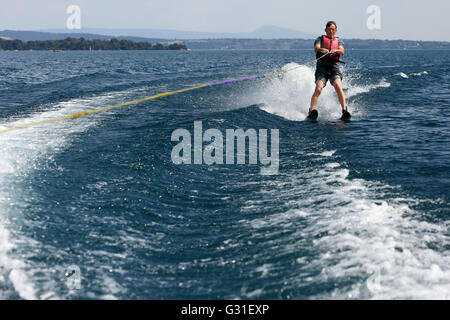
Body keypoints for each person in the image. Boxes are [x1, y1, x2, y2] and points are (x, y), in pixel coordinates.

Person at [308, 21, 351, 120]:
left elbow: (342, 51)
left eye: (333, 29)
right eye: (329, 29)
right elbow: (316, 48)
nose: (331, 31)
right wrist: (323, 49)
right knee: (318, 88)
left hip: (334, 69)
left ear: (335, 31)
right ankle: (311, 111)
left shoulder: (339, 41)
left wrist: (335, 50)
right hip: (322, 69)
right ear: (325, 30)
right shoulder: (319, 39)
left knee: (338, 86)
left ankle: (344, 110)